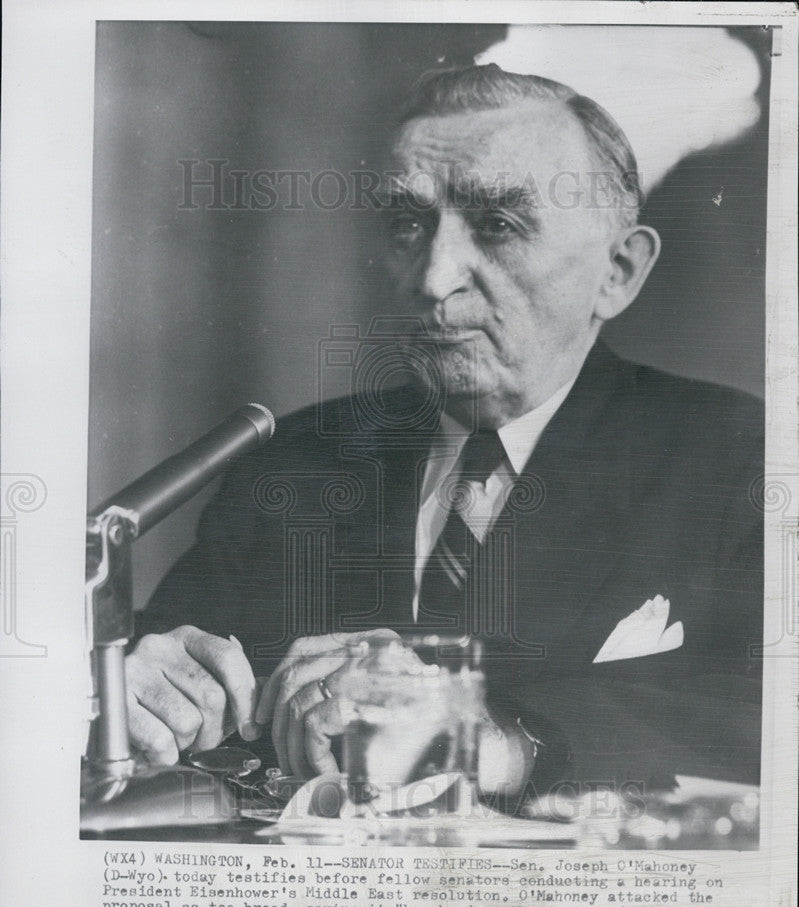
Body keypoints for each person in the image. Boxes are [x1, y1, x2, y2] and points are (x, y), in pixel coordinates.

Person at [125, 66, 763, 804]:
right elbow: (169, 678)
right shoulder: (295, 463)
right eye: (406, 224)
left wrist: (497, 740)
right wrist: (139, 689)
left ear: (616, 272)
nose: (432, 279)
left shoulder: (742, 460)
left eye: (497, 225)